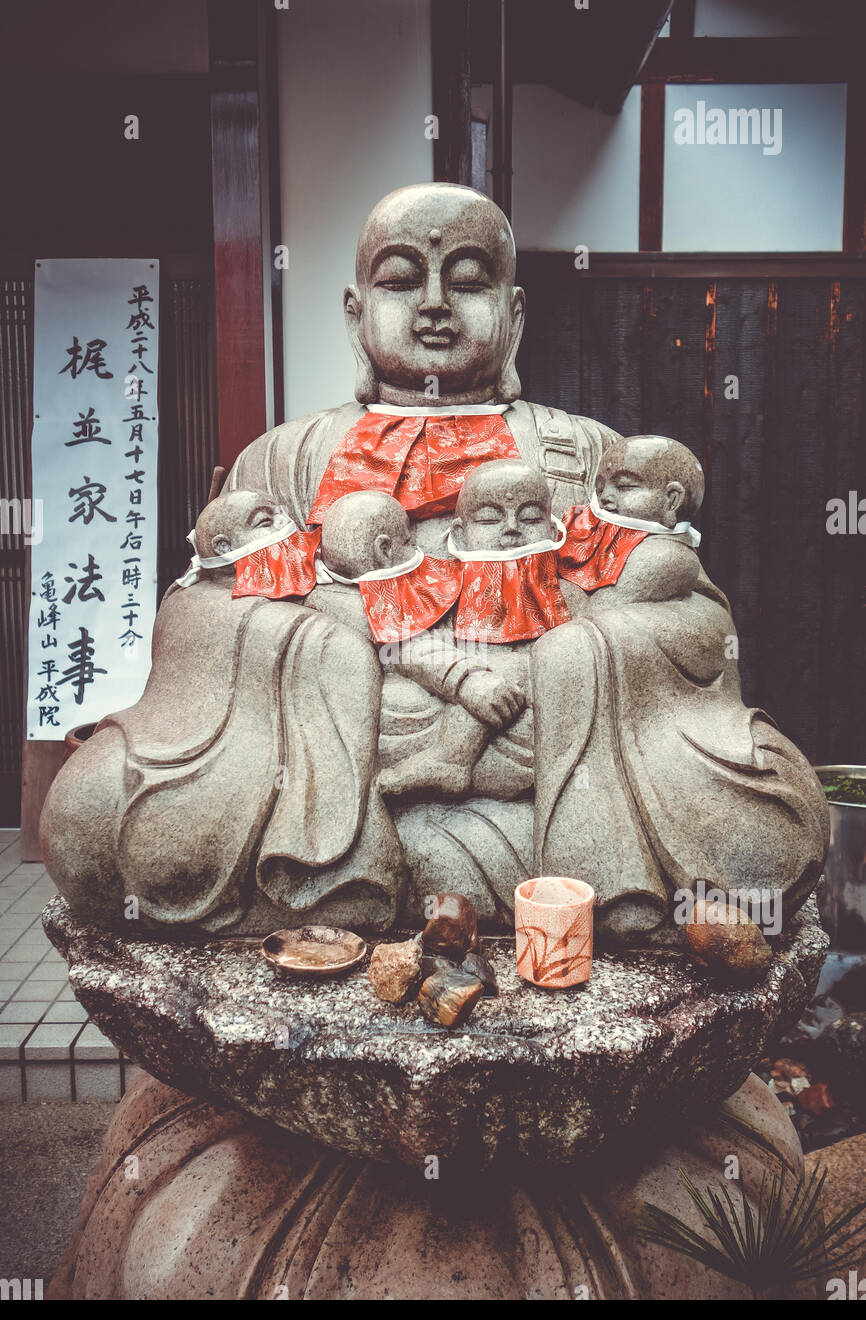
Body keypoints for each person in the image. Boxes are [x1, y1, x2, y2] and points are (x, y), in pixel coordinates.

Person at [41, 183, 828, 942]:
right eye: (400, 281)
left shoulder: (589, 452)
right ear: (355, 315)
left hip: (539, 742)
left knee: (777, 832)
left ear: (514, 317)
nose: (433, 307)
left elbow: (693, 616)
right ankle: (350, 852)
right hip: (341, 746)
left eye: (469, 282)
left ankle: (505, 852)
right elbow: (198, 607)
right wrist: (334, 656)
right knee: (84, 825)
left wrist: (573, 655)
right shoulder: (284, 456)